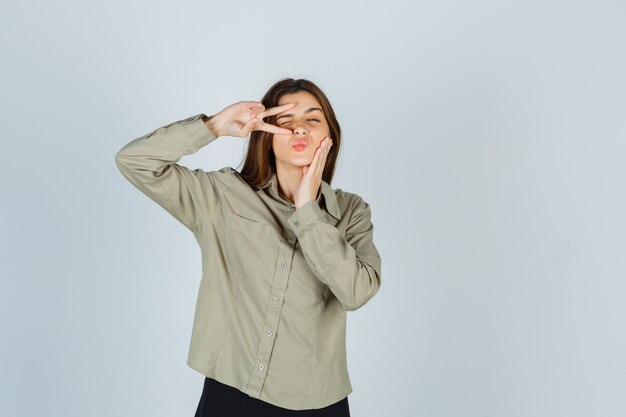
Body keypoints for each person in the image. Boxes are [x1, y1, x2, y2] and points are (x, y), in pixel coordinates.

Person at [115, 78, 382, 417]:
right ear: (266, 137)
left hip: (317, 402)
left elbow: (356, 292)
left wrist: (307, 213)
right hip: (230, 392)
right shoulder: (222, 196)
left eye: (313, 119)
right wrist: (212, 127)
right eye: (285, 121)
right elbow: (134, 161)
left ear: (330, 137)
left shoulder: (351, 212)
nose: (300, 128)